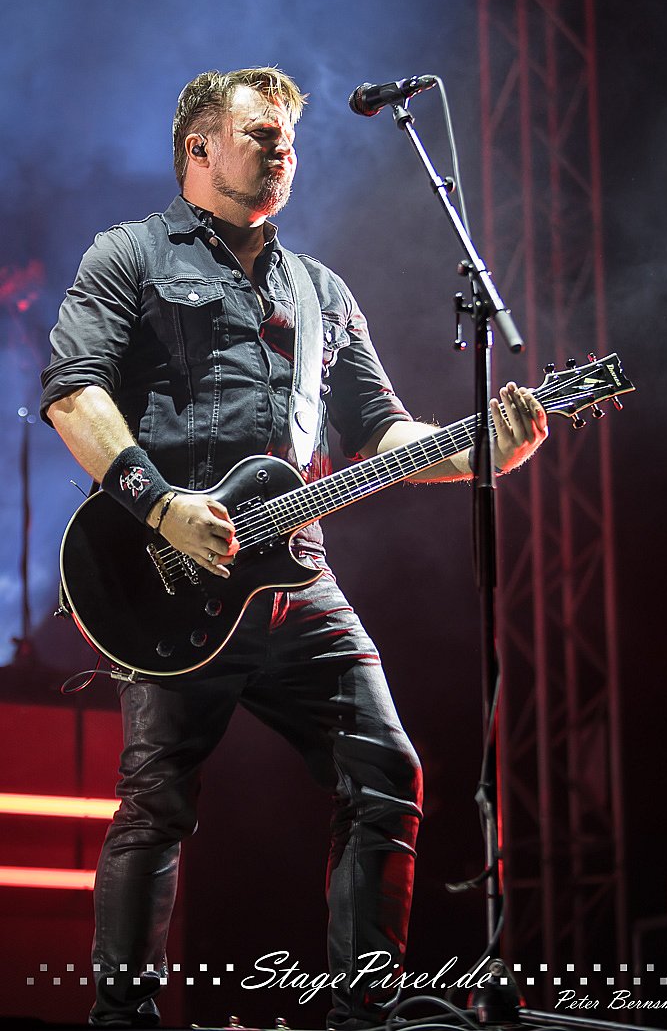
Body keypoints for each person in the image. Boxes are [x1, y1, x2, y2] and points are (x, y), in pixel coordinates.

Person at [40, 67, 548, 1029]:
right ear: (199, 147)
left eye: (290, 139)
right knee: (157, 802)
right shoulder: (129, 255)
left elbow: (385, 436)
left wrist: (486, 449)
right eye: (262, 134)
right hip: (166, 575)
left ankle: (363, 1016)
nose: (284, 151)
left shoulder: (320, 292)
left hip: (296, 576)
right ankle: (122, 1019)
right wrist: (161, 507)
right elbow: (74, 392)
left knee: (387, 773)